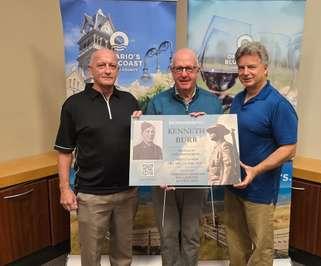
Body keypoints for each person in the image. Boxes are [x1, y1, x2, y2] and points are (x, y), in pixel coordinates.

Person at [54, 48, 140, 266]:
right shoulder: (73, 105)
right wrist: (65, 188)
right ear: (90, 69)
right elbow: (64, 150)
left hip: (127, 193)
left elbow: (144, 143)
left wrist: (142, 124)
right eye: (101, 65)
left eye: (112, 65)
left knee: (123, 257)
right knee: (90, 257)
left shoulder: (130, 101)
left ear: (118, 70)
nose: (107, 70)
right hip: (91, 196)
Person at [145, 48, 223, 266]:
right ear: (172, 71)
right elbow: (147, 145)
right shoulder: (157, 103)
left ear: (197, 70)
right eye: (179, 68)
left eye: (189, 68)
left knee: (191, 236)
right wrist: (158, 174)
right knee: (168, 236)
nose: (184, 73)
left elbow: (220, 145)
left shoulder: (212, 103)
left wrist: (209, 125)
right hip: (165, 184)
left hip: (196, 183)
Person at [225, 41, 298, 266]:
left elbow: (290, 148)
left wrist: (255, 170)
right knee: (236, 244)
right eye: (241, 67)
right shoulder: (238, 99)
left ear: (265, 68)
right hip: (233, 186)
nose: (245, 73)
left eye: (252, 67)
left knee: (261, 250)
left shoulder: (278, 104)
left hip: (260, 192)